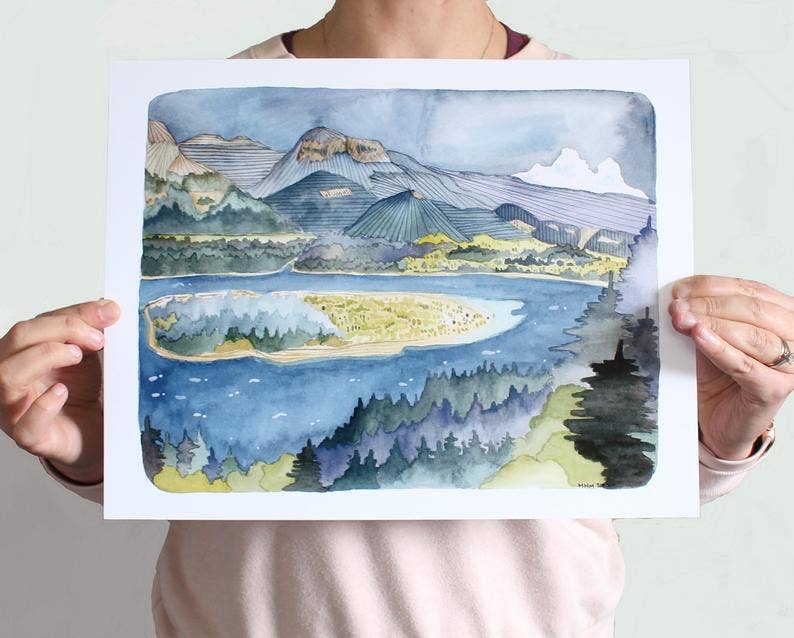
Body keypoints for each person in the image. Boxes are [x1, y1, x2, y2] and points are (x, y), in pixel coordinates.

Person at [0, 1, 788, 636]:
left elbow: (627, 456)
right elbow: (165, 466)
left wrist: (717, 439)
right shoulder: (181, 102)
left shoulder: (627, 111)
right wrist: (95, 446)